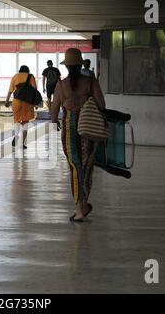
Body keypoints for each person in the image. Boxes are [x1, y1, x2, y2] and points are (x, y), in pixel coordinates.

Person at [51, 48, 106, 222]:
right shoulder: (90, 83)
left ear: (66, 67)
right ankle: (83, 205)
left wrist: (57, 121)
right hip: (89, 129)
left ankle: (79, 208)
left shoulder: (60, 85)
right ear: (80, 64)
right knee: (87, 167)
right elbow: (102, 106)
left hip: (69, 133)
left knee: (75, 167)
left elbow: (54, 112)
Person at [5, 65, 36, 149]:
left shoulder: (15, 77)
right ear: (28, 71)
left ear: (20, 70)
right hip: (27, 103)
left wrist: (7, 101)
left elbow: (10, 91)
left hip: (17, 102)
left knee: (17, 121)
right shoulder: (31, 77)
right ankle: (22, 144)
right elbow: (34, 90)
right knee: (25, 123)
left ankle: (16, 135)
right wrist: (36, 103)